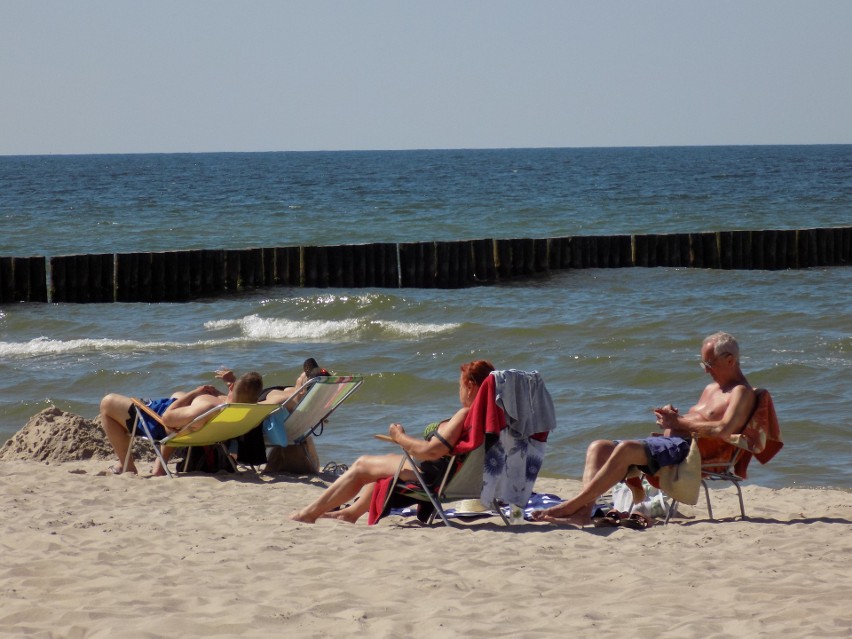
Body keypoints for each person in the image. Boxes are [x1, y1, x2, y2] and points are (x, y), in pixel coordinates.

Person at [532, 332, 756, 526]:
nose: (706, 371)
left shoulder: (741, 393)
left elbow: (723, 430)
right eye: (703, 364)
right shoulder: (712, 388)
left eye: (709, 364)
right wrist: (673, 418)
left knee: (627, 449)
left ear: (729, 360)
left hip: (692, 452)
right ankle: (583, 512)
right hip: (672, 444)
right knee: (598, 447)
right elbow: (698, 421)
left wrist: (677, 423)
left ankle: (569, 507)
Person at [289, 359, 496, 524]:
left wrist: (400, 437)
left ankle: (309, 513)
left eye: (459, 385)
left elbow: (431, 452)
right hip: (462, 479)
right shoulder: (492, 418)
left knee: (362, 465)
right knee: (386, 461)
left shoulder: (466, 414)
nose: (458, 390)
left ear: (470, 385)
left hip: (436, 478)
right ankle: (350, 513)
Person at [99, 371, 264, 476]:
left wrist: (194, 393)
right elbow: (239, 396)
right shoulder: (245, 408)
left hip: (157, 421)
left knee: (107, 403)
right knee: (178, 394)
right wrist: (230, 386)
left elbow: (167, 419)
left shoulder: (207, 406)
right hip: (202, 430)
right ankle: (160, 467)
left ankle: (126, 465)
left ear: (234, 388)